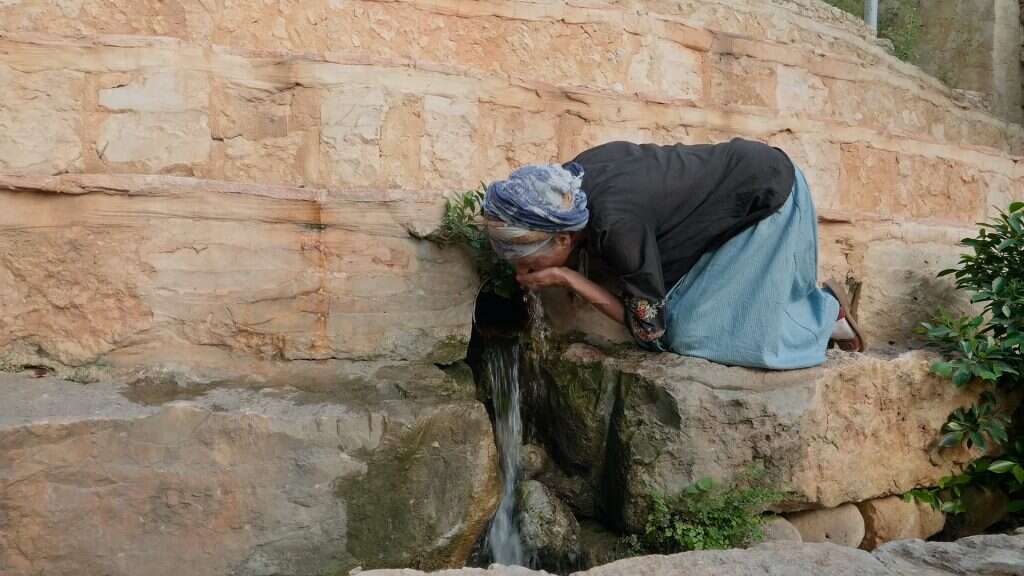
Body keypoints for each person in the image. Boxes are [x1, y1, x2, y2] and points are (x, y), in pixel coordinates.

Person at [482, 138, 864, 370]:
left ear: (564, 240)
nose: (522, 274)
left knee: (690, 335)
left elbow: (649, 330)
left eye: (529, 264)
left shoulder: (618, 228)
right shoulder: (570, 185)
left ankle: (825, 317)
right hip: (742, 179)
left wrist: (568, 278)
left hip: (767, 197)